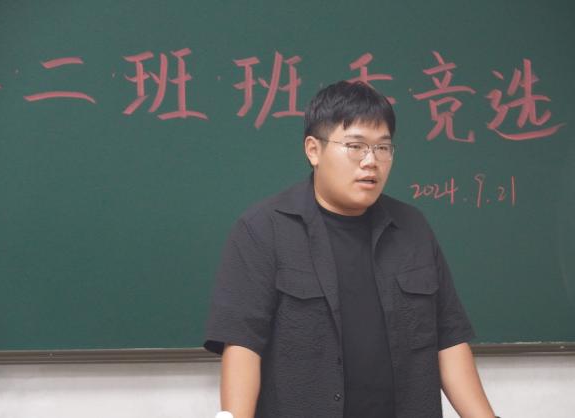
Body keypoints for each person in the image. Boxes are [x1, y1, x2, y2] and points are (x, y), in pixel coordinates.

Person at [204, 80, 496, 418]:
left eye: (383, 147)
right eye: (356, 146)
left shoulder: (412, 228)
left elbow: (449, 340)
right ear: (313, 150)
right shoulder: (262, 229)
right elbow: (243, 345)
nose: (371, 161)